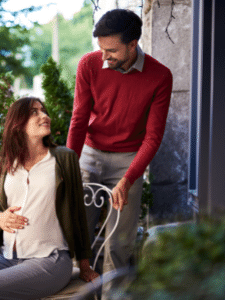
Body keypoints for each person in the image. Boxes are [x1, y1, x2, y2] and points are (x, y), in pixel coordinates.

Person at [0, 97, 99, 300]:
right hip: (7, 257)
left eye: (44, 111)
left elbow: (78, 212)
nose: (45, 116)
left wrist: (85, 266)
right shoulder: (3, 163)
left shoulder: (64, 158)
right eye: (34, 112)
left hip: (50, 260)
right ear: (18, 124)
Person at [66, 8, 173, 295]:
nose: (104, 57)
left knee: (119, 243)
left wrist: (128, 179)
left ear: (132, 44)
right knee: (79, 236)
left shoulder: (160, 76)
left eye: (111, 51)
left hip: (129, 161)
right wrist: (67, 166)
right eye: (101, 49)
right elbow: (78, 120)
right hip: (90, 154)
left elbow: (153, 137)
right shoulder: (89, 65)